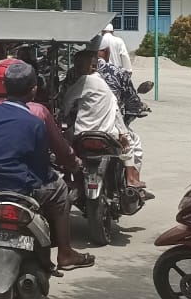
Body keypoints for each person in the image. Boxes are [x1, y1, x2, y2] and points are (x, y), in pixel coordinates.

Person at [0, 60, 93, 270]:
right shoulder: (36, 119)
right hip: (21, 187)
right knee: (61, 190)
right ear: (33, 91)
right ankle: (65, 253)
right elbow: (41, 164)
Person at [63, 44, 147, 195]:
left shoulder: (82, 79)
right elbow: (118, 109)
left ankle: (71, 176)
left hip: (82, 132)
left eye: (79, 65)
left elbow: (67, 99)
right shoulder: (110, 76)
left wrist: (64, 114)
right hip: (108, 133)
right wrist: (123, 132)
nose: (76, 68)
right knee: (129, 145)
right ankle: (131, 179)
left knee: (65, 145)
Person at [96, 45, 146, 122]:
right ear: (107, 52)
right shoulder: (119, 72)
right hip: (112, 122)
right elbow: (132, 101)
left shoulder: (74, 72)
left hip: (79, 125)